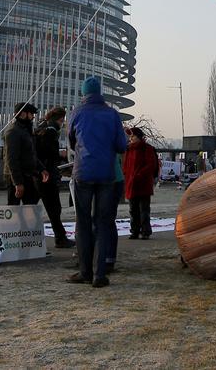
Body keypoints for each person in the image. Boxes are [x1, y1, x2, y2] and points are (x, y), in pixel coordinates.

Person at [66, 76, 127, 288]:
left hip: (82, 172)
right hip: (106, 174)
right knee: (102, 222)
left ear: (84, 93)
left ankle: (85, 271)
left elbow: (71, 141)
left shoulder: (76, 113)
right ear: (100, 92)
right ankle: (100, 274)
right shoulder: (112, 114)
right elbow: (122, 145)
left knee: (82, 223)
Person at [35, 106, 73, 248]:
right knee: (54, 208)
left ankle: (26, 236)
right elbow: (49, 154)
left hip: (37, 174)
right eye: (62, 121)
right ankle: (60, 238)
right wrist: (60, 156)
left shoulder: (40, 127)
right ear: (58, 119)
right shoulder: (50, 132)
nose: (62, 124)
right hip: (47, 174)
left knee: (33, 205)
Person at [4, 103, 48, 206]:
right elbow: (11, 159)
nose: (33, 117)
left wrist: (42, 169)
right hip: (15, 177)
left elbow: (31, 154)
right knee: (14, 208)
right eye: (31, 114)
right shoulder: (13, 132)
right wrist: (18, 183)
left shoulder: (26, 130)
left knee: (30, 207)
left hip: (28, 174)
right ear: (23, 114)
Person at [123, 127, 159, 240]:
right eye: (130, 136)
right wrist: (127, 176)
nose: (131, 138)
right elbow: (125, 166)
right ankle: (134, 231)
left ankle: (145, 231)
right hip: (131, 184)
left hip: (143, 184)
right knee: (133, 210)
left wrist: (139, 175)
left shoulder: (147, 148)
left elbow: (151, 165)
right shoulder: (129, 149)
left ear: (139, 137)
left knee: (144, 210)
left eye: (133, 136)